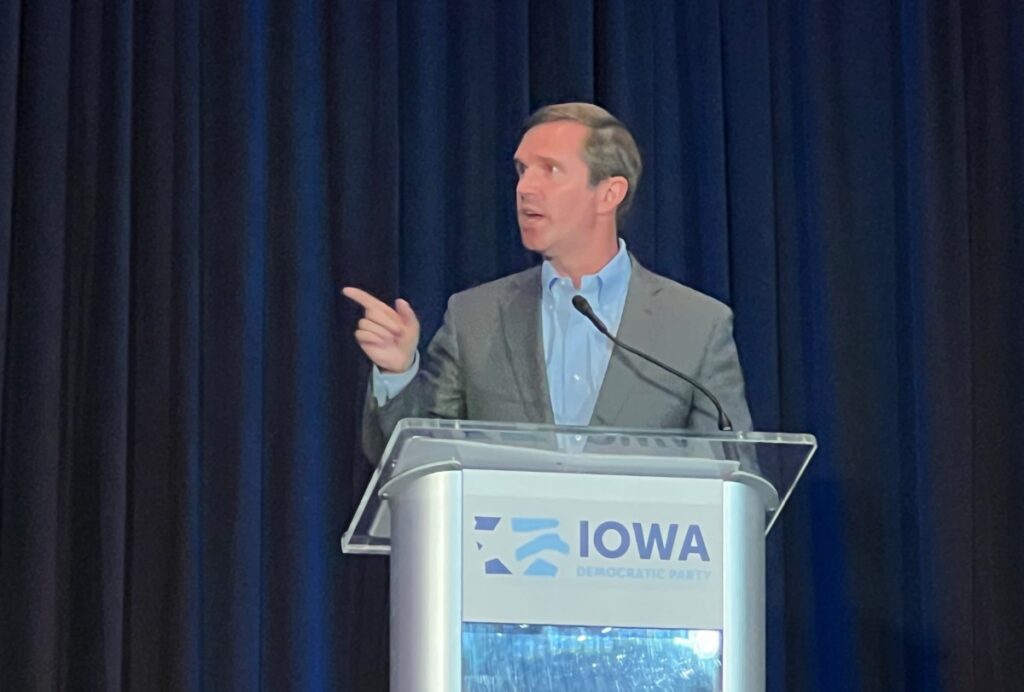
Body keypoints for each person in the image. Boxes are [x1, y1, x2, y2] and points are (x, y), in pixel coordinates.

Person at [343, 102, 752, 462]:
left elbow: (730, 477)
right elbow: (415, 462)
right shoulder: (475, 317)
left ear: (609, 194)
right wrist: (399, 373)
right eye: (522, 171)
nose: (525, 188)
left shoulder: (696, 324)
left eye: (550, 170)